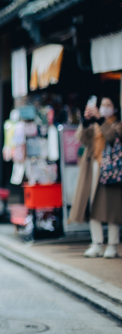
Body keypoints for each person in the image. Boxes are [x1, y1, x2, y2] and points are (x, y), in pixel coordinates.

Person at [68, 95, 122, 259]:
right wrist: (85, 122)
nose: (104, 108)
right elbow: (82, 139)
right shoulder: (94, 126)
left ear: (115, 108)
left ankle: (112, 244)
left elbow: (112, 136)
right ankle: (96, 243)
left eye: (108, 105)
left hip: (111, 171)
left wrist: (99, 119)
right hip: (92, 169)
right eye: (102, 105)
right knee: (92, 207)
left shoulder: (117, 124)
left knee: (112, 208)